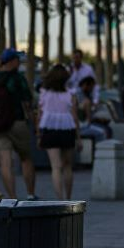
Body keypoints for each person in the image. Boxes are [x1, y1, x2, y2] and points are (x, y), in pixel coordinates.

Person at [0, 48, 37, 200]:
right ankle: (30, 194)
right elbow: (28, 101)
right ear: (13, 61)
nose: (19, 63)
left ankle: (13, 198)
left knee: (5, 162)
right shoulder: (18, 79)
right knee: (26, 158)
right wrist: (32, 121)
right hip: (17, 123)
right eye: (18, 60)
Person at [36, 65, 81, 200]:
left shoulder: (44, 93)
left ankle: (59, 199)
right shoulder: (70, 95)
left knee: (55, 167)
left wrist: (38, 135)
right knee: (67, 166)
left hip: (49, 129)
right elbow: (75, 117)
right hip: (67, 129)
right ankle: (68, 198)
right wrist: (79, 138)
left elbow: (39, 114)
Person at [77, 76, 109, 141]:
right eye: (91, 87)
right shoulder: (79, 95)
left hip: (84, 122)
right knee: (103, 131)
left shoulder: (87, 95)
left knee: (106, 129)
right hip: (83, 125)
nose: (92, 89)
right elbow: (87, 118)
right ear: (86, 85)